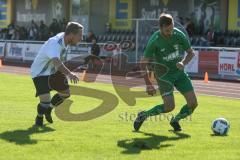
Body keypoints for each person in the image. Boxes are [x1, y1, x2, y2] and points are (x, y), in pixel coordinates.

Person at [134, 13, 198, 132]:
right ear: (161, 28)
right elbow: (143, 63)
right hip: (164, 76)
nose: (171, 32)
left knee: (193, 103)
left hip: (179, 72)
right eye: (167, 30)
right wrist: (148, 84)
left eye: (172, 28)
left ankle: (176, 120)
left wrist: (183, 63)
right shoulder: (155, 40)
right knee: (169, 107)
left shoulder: (179, 34)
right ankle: (143, 115)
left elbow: (191, 52)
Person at [31, 22, 83, 126]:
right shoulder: (55, 43)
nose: (81, 38)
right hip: (40, 73)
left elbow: (57, 63)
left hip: (53, 70)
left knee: (65, 93)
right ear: (71, 34)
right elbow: (57, 62)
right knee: (45, 102)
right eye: (80, 35)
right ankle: (39, 117)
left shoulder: (65, 38)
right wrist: (69, 74)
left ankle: (49, 110)